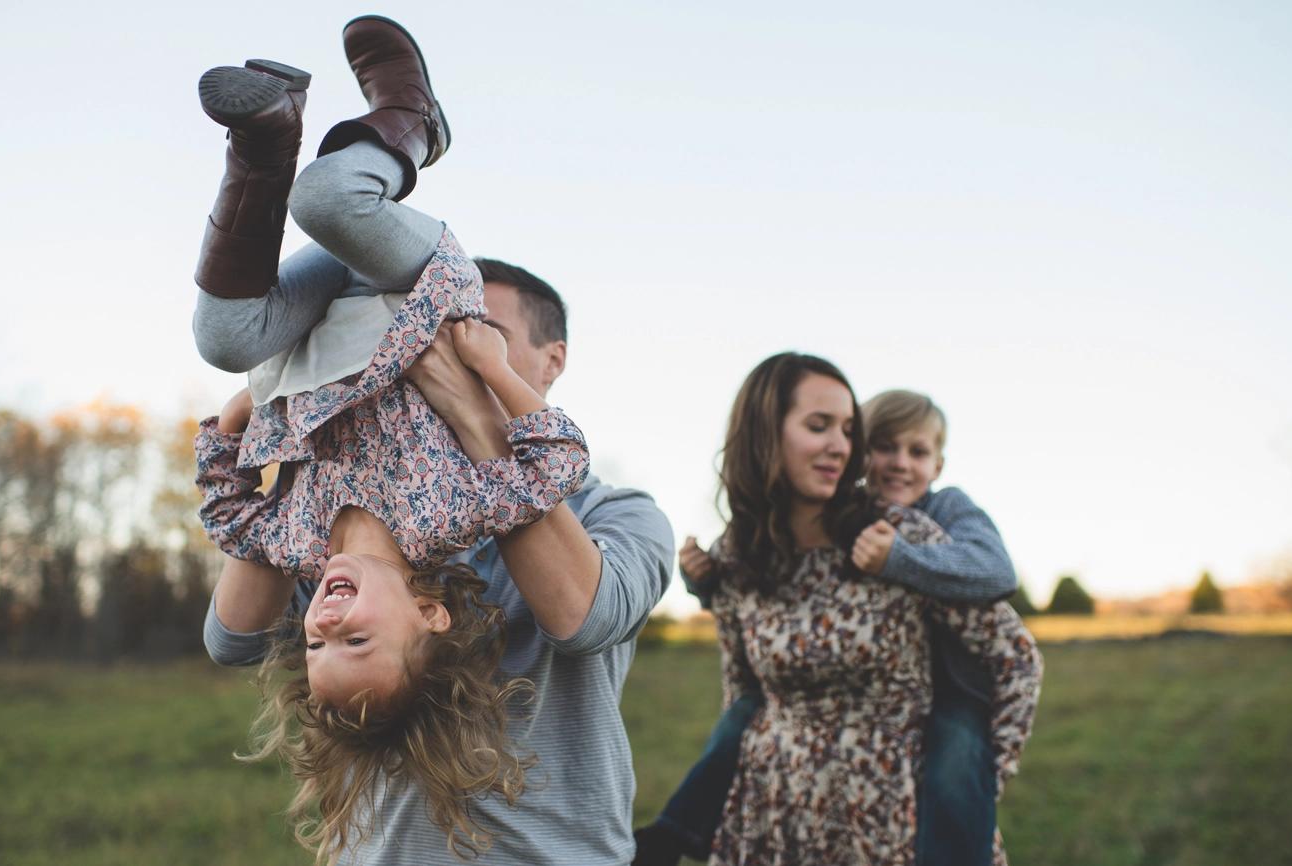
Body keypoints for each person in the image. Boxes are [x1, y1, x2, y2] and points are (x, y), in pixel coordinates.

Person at [194, 16, 675, 866]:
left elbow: (581, 617)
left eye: (480, 328)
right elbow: (230, 638)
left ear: (551, 358)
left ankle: (266, 145)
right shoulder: (433, 525)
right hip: (398, 281)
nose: (329, 621)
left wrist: (245, 423)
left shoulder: (623, 516)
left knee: (226, 337)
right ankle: (411, 116)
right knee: (333, 205)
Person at [648, 353, 1040, 866]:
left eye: (848, 429)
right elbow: (742, 692)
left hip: (894, 818)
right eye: (818, 425)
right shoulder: (737, 556)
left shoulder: (899, 538)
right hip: (774, 814)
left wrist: (985, 774)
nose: (840, 445)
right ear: (765, 434)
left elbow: (1016, 659)